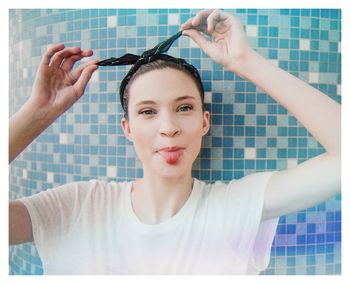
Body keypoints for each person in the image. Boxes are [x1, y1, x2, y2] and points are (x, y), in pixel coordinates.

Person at [9, 9, 340, 275]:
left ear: (203, 122)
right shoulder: (75, 207)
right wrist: (37, 112)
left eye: (184, 108)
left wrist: (246, 62)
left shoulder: (236, 207)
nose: (168, 128)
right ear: (127, 128)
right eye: (148, 111)